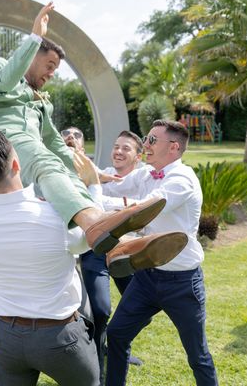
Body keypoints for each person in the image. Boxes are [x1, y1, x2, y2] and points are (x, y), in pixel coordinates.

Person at [0, 2, 185, 265]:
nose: (51, 73)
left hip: (29, 150)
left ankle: (119, 248)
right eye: (49, 65)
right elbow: (3, 81)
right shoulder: (1, 67)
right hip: (2, 143)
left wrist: (91, 173)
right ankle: (96, 225)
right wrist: (35, 36)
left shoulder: (41, 101)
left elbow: (53, 141)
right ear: (33, 55)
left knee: (67, 175)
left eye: (55, 69)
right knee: (45, 161)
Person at [0, 128, 99, 385]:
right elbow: (95, 237)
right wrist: (93, 188)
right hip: (60, 335)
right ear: (16, 164)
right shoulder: (54, 217)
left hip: (7, 335)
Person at [106, 120, 218, 386]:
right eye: (147, 138)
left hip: (182, 283)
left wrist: (104, 204)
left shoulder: (182, 179)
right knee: (117, 334)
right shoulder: (146, 173)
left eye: (152, 140)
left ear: (174, 146)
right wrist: (82, 177)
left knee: (197, 355)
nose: (145, 145)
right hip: (147, 277)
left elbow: (144, 209)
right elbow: (112, 183)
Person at [61, 127, 145, 382]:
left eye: (126, 148)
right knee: (99, 309)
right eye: (116, 146)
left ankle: (116, 343)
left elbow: (142, 213)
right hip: (97, 253)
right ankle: (97, 362)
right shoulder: (100, 175)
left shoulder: (143, 179)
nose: (118, 151)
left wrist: (109, 209)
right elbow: (87, 204)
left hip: (127, 252)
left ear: (138, 156)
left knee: (143, 308)